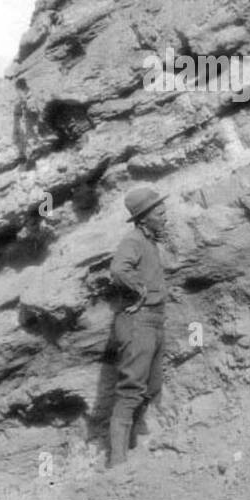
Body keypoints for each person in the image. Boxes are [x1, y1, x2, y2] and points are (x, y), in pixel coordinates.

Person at [106, 186, 169, 468]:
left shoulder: (149, 241)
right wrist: (140, 290)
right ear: (143, 218)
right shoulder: (132, 240)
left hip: (154, 321)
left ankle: (132, 445)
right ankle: (117, 461)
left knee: (152, 385)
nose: (164, 214)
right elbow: (119, 270)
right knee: (131, 389)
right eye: (159, 211)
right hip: (138, 321)